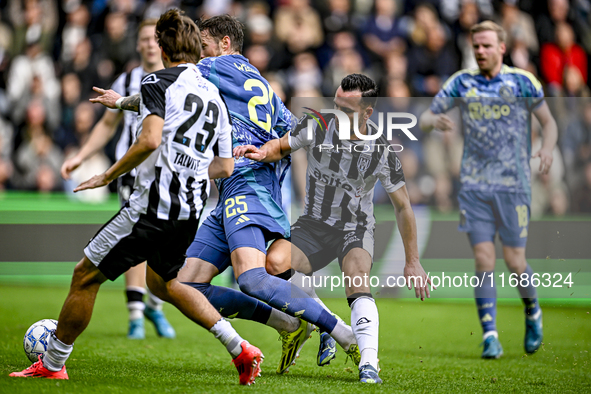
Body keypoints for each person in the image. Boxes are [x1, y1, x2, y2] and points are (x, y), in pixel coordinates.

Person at [89, 14, 360, 376]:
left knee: (251, 278)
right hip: (240, 187)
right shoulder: (261, 84)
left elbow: (170, 92)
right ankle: (289, 323)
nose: (198, 54)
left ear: (225, 44)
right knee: (185, 285)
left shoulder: (213, 67)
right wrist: (273, 151)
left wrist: (122, 101)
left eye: (203, 45)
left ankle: (344, 333)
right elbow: (296, 132)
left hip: (246, 185)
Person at [10, 9, 263, 385]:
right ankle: (240, 348)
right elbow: (224, 167)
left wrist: (108, 175)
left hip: (151, 208)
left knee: (85, 275)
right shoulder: (213, 95)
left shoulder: (156, 80)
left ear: (162, 47)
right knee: (166, 283)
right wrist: (188, 168)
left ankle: (52, 362)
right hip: (189, 211)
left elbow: (149, 139)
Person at [234, 73, 433, 384]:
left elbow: (404, 207)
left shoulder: (381, 150)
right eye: (336, 104)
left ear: (367, 113)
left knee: (356, 276)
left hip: (355, 226)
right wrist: (261, 152)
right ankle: (329, 325)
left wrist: (412, 261)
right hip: (313, 224)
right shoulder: (316, 125)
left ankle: (368, 363)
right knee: (272, 264)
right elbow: (282, 146)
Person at [418, 21, 558, 359]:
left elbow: (549, 122)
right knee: (484, 259)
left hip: (514, 187)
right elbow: (424, 116)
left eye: (486, 45)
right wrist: (432, 121)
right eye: (476, 46)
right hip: (474, 186)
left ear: (501, 48)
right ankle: (490, 335)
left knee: (515, 261)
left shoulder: (522, 82)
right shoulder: (462, 82)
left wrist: (548, 147)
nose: (480, 51)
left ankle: (532, 310)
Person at [61, 18, 176, 341]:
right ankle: (136, 314)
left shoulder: (177, 80)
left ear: (163, 45)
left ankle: (153, 305)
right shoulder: (126, 79)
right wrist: (82, 157)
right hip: (133, 170)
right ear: (138, 44)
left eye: (155, 39)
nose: (150, 44)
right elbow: (107, 126)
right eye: (144, 39)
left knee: (163, 244)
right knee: (135, 240)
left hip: (167, 171)